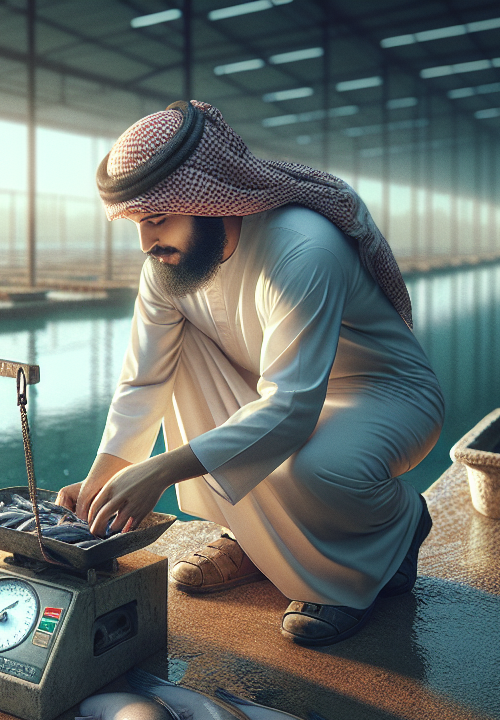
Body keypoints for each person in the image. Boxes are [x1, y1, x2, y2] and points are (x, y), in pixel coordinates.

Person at [56, 100, 444, 647]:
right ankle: (253, 538)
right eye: (138, 224)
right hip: (277, 392)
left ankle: (386, 542)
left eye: (158, 219)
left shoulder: (301, 248)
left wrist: (162, 471)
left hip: (383, 396)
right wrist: (102, 482)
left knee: (317, 470)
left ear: (209, 199)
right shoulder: (169, 269)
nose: (146, 243)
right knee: (178, 354)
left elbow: (290, 408)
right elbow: (144, 381)